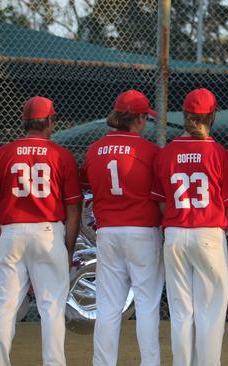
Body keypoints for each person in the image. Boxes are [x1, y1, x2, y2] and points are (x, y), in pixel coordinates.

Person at [0, 96, 82, 366]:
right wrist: (68, 248)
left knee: (4, 306)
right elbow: (73, 209)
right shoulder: (62, 155)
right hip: (48, 234)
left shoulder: (3, 154)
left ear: (24, 121)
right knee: (52, 308)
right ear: (50, 120)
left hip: (12, 233)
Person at [151, 88, 228, 366]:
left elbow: (162, 203)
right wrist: (217, 230)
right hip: (208, 232)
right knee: (211, 312)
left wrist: (178, 225)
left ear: (186, 115)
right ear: (211, 115)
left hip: (175, 234)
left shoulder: (166, 153)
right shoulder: (218, 153)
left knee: (180, 310)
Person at [80, 90, 164, 366]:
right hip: (142, 230)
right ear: (138, 119)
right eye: (144, 118)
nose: (145, 123)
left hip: (108, 233)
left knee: (108, 305)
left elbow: (88, 188)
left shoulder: (94, 150)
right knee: (147, 304)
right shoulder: (150, 151)